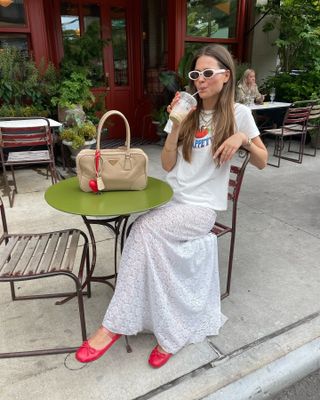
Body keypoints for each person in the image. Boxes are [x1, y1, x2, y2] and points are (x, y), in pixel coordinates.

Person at [75, 44, 268, 368]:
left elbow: (262, 160)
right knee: (139, 230)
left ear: (225, 76)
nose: (200, 80)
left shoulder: (239, 114)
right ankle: (168, 325)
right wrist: (176, 125)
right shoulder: (186, 111)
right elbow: (166, 165)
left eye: (208, 73)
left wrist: (242, 140)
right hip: (172, 200)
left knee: (144, 229)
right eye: (196, 74)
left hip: (201, 208)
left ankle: (112, 327)